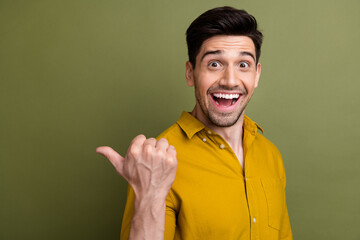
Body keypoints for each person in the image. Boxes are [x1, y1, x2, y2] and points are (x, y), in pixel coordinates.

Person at [97, 6, 292, 240]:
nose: (230, 81)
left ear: (256, 75)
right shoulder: (158, 162)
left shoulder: (271, 155)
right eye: (214, 64)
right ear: (190, 73)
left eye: (243, 65)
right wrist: (150, 194)